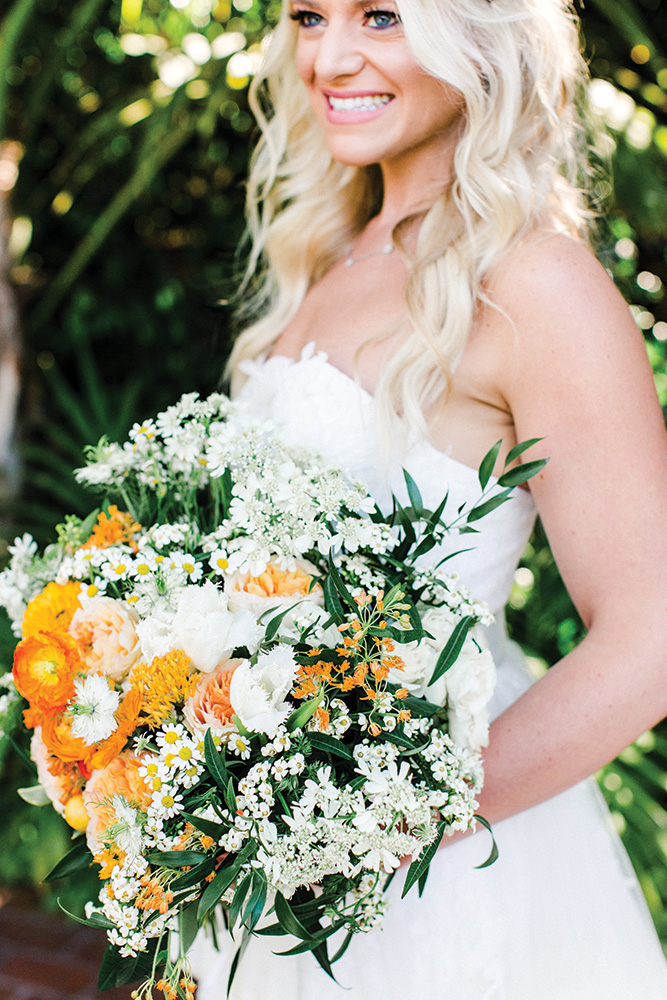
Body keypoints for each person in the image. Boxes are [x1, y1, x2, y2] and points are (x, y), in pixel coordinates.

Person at [189, 0, 667, 995]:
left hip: (431, 883)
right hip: (270, 871)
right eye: (309, 16)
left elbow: (653, 635)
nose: (330, 56)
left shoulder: (532, 282)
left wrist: (390, 818)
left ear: (480, 36)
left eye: (381, 16)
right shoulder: (328, 252)